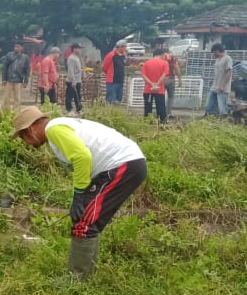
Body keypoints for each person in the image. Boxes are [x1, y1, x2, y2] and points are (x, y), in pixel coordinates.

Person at [12, 106, 147, 278]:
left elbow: (82, 157)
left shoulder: (53, 129)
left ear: (30, 129)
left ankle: (77, 279)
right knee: (87, 219)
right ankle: (86, 275)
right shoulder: (59, 127)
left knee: (85, 221)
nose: (27, 143)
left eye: (23, 137)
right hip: (123, 164)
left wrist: (78, 195)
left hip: (123, 165)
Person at [141, 47, 170, 123]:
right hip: (159, 90)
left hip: (148, 90)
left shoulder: (146, 63)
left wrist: (151, 84)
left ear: (153, 55)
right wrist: (156, 84)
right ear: (162, 54)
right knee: (160, 107)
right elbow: (164, 75)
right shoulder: (165, 63)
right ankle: (162, 123)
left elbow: (143, 75)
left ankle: (147, 122)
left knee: (148, 107)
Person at [205, 43, 233, 117]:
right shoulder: (217, 60)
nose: (213, 54)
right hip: (214, 86)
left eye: (214, 52)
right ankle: (208, 117)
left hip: (222, 88)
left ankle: (224, 119)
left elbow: (228, 72)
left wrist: (223, 85)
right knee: (209, 104)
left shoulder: (227, 58)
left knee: (222, 107)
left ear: (217, 51)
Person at [0, 41, 31, 110]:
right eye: (15, 46)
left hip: (18, 80)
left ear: (22, 48)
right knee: (6, 97)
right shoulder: (9, 55)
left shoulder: (25, 57)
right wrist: (3, 79)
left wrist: (26, 81)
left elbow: (27, 70)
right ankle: (5, 111)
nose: (16, 48)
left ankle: (16, 111)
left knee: (17, 97)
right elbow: (4, 67)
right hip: (9, 79)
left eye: (18, 47)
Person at [65, 43, 84, 115]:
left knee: (78, 96)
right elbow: (70, 70)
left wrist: (80, 80)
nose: (80, 50)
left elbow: (78, 70)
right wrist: (73, 81)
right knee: (69, 96)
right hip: (72, 81)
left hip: (77, 80)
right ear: (74, 49)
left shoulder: (77, 57)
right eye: (79, 48)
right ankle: (69, 110)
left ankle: (79, 109)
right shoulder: (71, 58)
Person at [163, 50, 183, 117]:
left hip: (161, 80)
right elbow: (176, 68)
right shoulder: (173, 57)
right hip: (171, 79)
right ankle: (168, 113)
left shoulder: (161, 57)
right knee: (170, 97)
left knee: (160, 97)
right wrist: (179, 80)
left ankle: (161, 112)